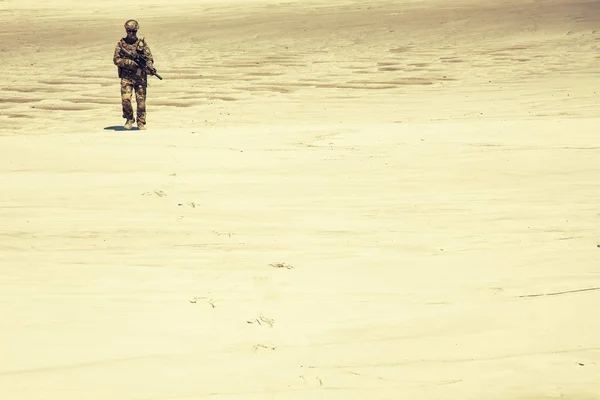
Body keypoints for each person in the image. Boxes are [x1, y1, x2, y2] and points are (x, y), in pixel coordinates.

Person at [113, 19, 155, 130]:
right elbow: (116, 60)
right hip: (126, 77)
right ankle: (129, 118)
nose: (131, 33)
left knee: (141, 101)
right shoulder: (121, 44)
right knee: (126, 99)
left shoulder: (142, 44)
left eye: (133, 31)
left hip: (140, 77)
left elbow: (149, 58)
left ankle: (141, 122)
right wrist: (131, 63)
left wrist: (149, 67)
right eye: (129, 31)